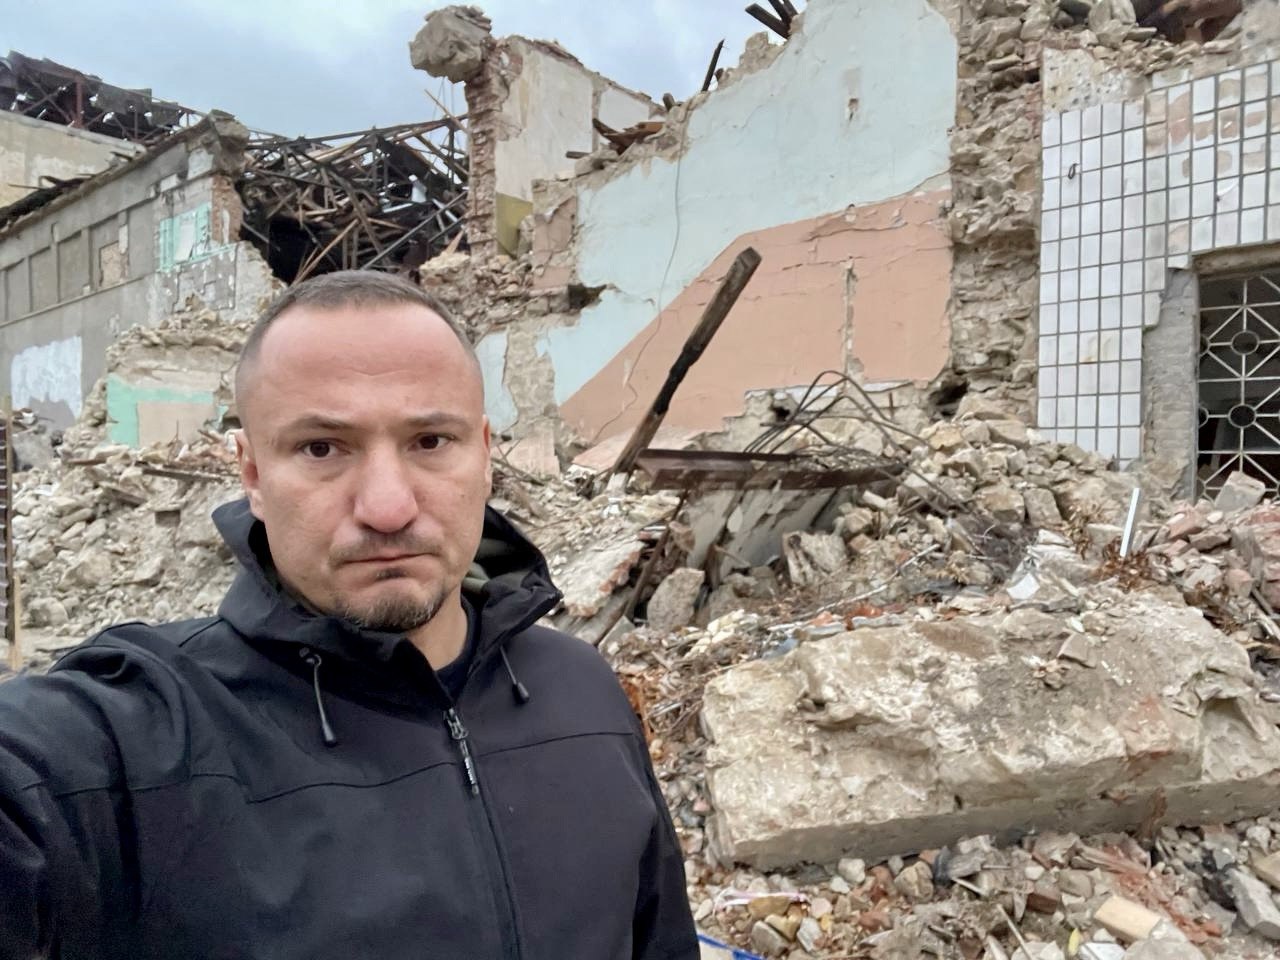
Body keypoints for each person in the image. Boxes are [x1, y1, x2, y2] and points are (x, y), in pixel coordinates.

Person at [0, 270, 699, 959]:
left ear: (486, 456)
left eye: (430, 441)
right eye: (322, 448)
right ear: (251, 474)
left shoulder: (583, 691)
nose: (388, 507)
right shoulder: (141, 737)